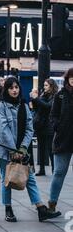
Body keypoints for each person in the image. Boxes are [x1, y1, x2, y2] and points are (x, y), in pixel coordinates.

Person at [0, 76, 61, 223]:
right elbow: (2, 130)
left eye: (16, 87)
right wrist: (13, 150)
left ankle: (41, 208)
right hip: (5, 150)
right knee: (7, 179)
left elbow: (30, 128)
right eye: (11, 88)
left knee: (30, 178)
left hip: (23, 150)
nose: (14, 90)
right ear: (7, 90)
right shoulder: (1, 107)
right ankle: (8, 208)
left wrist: (22, 148)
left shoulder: (23, 106)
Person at [49, 68, 73, 213]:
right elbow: (53, 116)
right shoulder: (60, 96)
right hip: (63, 139)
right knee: (59, 172)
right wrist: (58, 126)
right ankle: (52, 203)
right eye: (71, 77)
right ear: (67, 78)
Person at [30, 78, 58, 176]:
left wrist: (36, 98)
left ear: (51, 86)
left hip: (49, 125)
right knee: (40, 148)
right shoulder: (42, 95)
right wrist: (33, 99)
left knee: (50, 149)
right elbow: (36, 107)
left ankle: (54, 169)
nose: (44, 87)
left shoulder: (55, 96)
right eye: (44, 85)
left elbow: (48, 106)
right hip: (40, 125)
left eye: (46, 85)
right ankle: (41, 169)